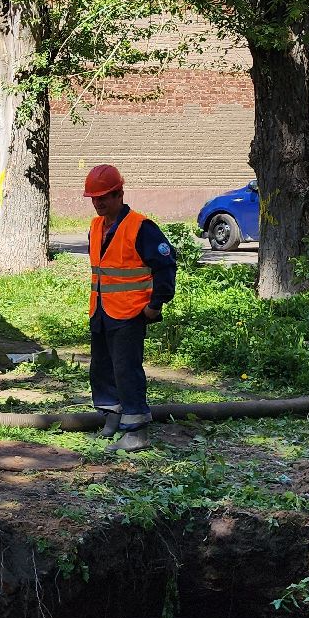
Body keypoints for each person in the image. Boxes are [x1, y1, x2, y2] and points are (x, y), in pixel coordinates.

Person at [82, 164, 177, 452]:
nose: (98, 203)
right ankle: (112, 416)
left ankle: (135, 431)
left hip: (130, 313)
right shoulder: (96, 226)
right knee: (102, 367)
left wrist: (155, 304)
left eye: (104, 198)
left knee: (126, 369)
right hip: (101, 310)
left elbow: (165, 264)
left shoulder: (141, 227)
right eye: (94, 198)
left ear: (119, 194)